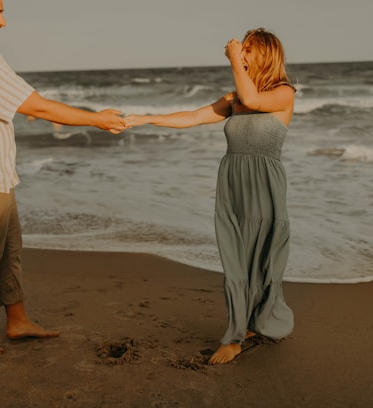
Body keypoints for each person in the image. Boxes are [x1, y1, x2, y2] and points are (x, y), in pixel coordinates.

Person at [0, 0, 128, 357]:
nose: (3, 22)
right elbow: (38, 107)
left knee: (9, 248)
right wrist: (97, 119)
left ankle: (17, 320)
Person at [125, 28, 295, 364]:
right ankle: (233, 336)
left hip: (265, 184)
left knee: (264, 258)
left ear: (264, 54)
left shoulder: (283, 93)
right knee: (235, 258)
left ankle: (256, 321)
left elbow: (254, 101)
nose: (241, 54)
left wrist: (233, 60)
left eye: (248, 50)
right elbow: (192, 117)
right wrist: (147, 118)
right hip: (232, 181)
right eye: (240, 50)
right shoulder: (233, 99)